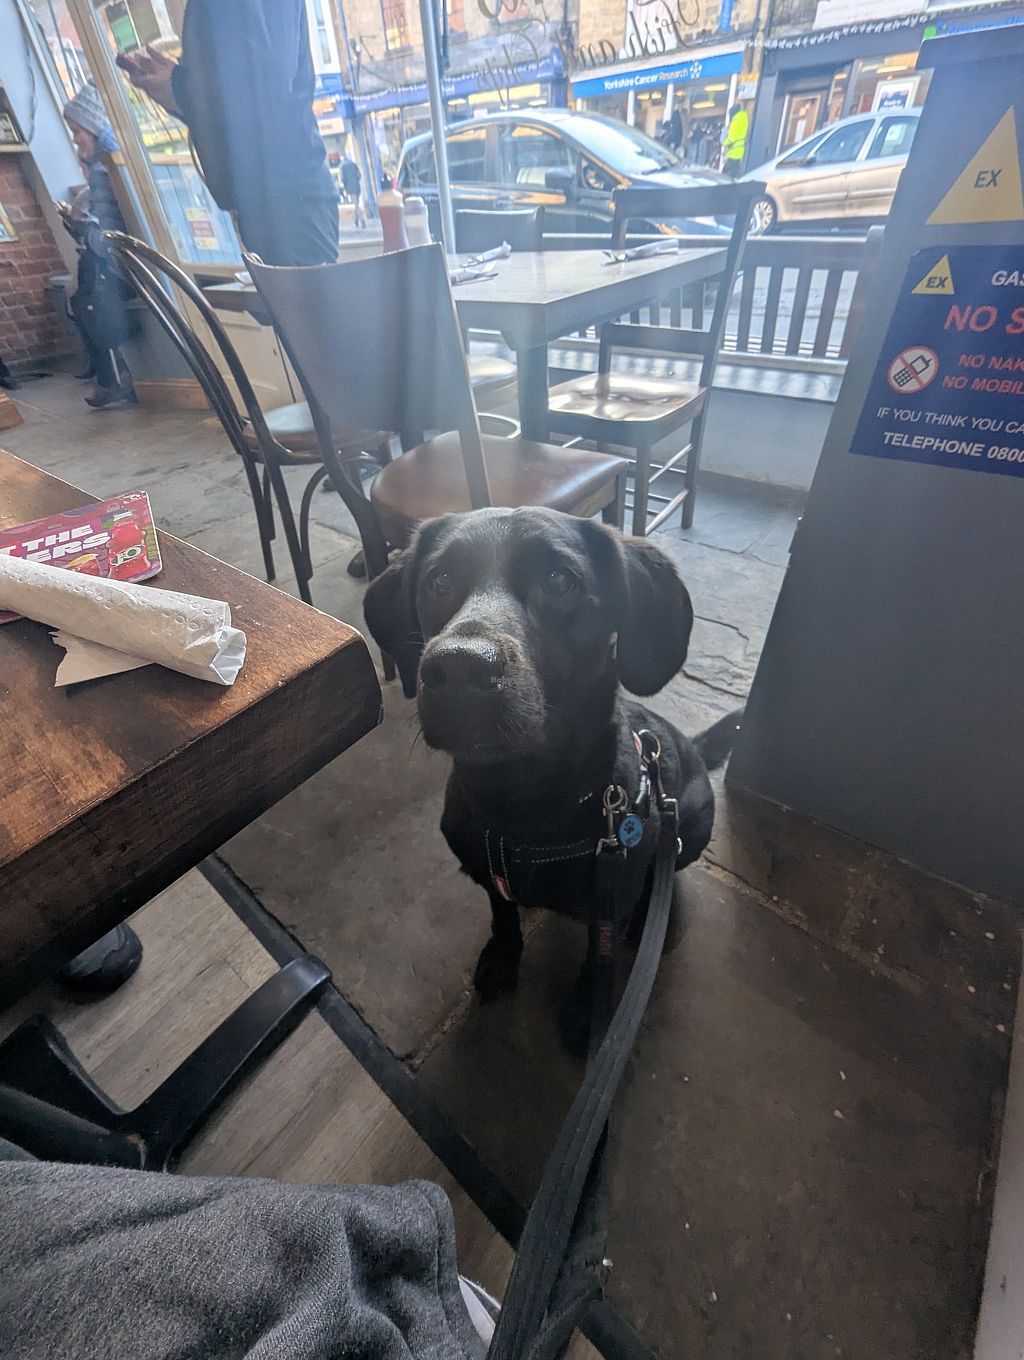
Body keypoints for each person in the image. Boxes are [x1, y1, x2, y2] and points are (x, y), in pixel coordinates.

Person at [116, 0, 339, 266]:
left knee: (299, 291)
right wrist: (180, 91)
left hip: (285, 199)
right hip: (278, 195)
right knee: (291, 290)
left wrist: (182, 87)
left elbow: (265, 85)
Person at [59, 84, 137, 411]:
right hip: (129, 263)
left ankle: (111, 377)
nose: (76, 140)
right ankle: (110, 376)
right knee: (81, 290)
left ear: (93, 128)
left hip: (129, 268)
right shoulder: (107, 166)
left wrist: (79, 226)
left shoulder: (103, 172)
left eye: (78, 131)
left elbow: (110, 238)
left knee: (82, 296)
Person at [723, 101, 749, 178]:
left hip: (733, 151)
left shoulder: (735, 122)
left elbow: (731, 138)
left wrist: (724, 142)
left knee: (726, 174)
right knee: (734, 171)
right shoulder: (744, 119)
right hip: (740, 150)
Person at [340, 153, 366, 228]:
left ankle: (362, 220)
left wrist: (345, 185)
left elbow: (342, 178)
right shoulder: (354, 165)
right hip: (357, 187)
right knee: (356, 204)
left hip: (350, 188)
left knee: (356, 205)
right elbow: (359, 175)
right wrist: (356, 180)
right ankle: (356, 220)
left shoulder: (343, 167)